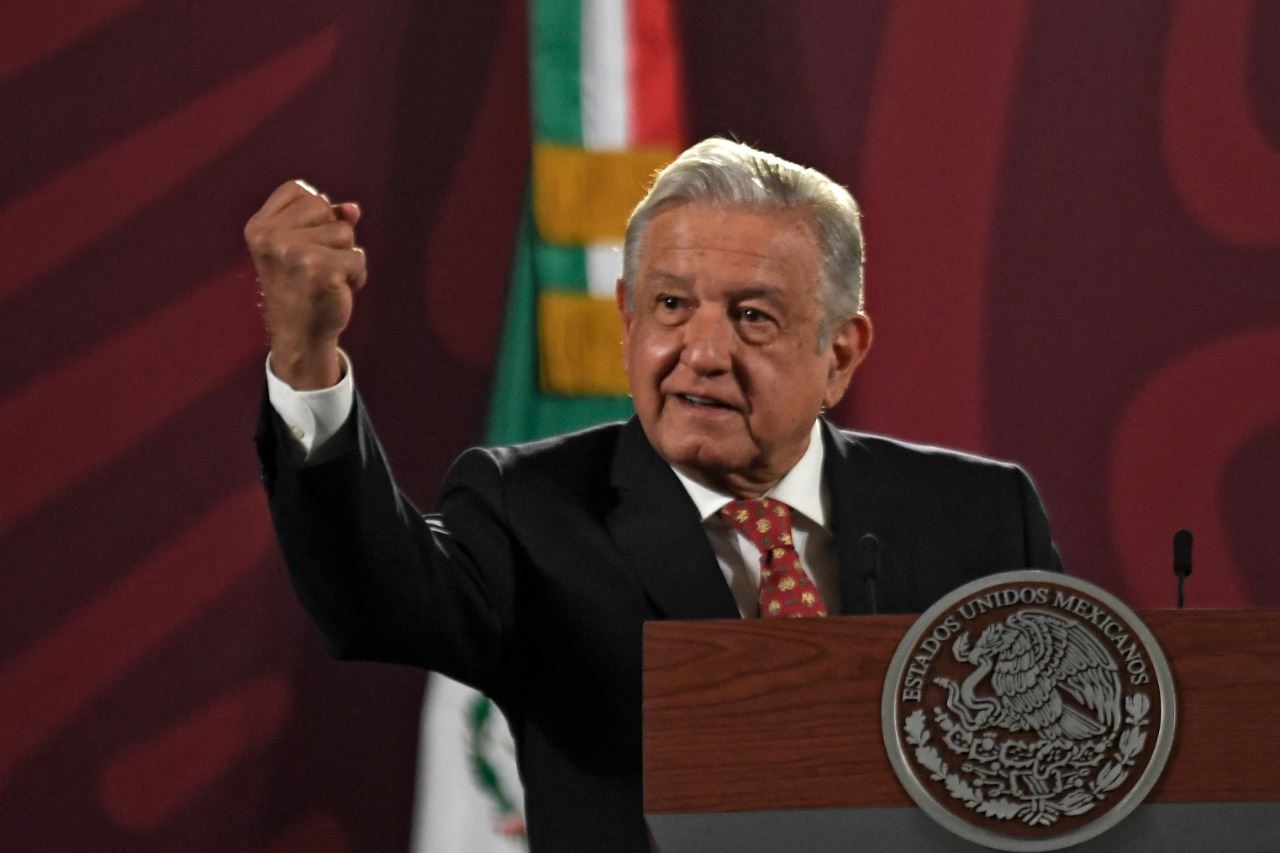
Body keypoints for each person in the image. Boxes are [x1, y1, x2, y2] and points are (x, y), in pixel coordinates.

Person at [248, 138, 1062, 851]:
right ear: (628, 319)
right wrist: (307, 359)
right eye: (671, 305)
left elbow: (1072, 774)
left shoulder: (981, 517)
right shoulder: (531, 510)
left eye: (752, 316)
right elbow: (371, 596)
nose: (701, 352)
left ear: (840, 354)